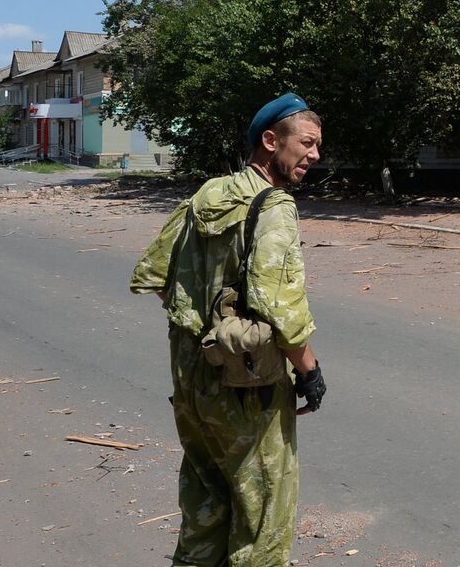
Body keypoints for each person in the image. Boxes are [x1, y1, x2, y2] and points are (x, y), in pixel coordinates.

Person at [131, 93, 328, 567]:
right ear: (269, 141)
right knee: (263, 517)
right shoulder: (274, 205)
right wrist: (309, 371)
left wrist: (209, 329)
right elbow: (278, 305)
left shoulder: (208, 194)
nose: (315, 155)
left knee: (204, 506)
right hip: (246, 389)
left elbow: (152, 274)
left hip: (192, 383)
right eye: (307, 143)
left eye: (317, 146)